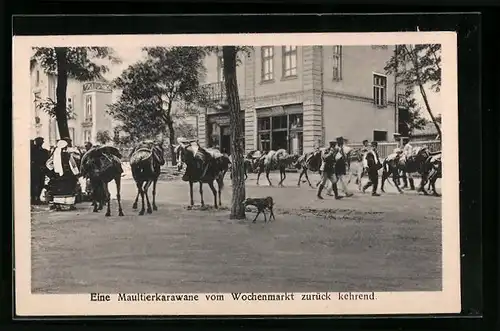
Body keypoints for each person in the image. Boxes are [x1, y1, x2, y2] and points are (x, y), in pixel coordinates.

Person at [46, 139, 80, 210]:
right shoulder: (68, 155)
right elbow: (73, 164)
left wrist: (54, 169)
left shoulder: (55, 154)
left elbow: (48, 163)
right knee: (68, 189)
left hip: (57, 175)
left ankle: (58, 205)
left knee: (58, 189)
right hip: (68, 175)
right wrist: (76, 173)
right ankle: (68, 204)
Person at [31, 137, 50, 204]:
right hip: (35, 169)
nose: (41, 143)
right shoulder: (32, 150)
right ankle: (34, 198)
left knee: (41, 184)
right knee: (35, 184)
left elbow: (47, 160)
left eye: (42, 141)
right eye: (40, 141)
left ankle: (37, 198)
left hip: (41, 169)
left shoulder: (44, 151)